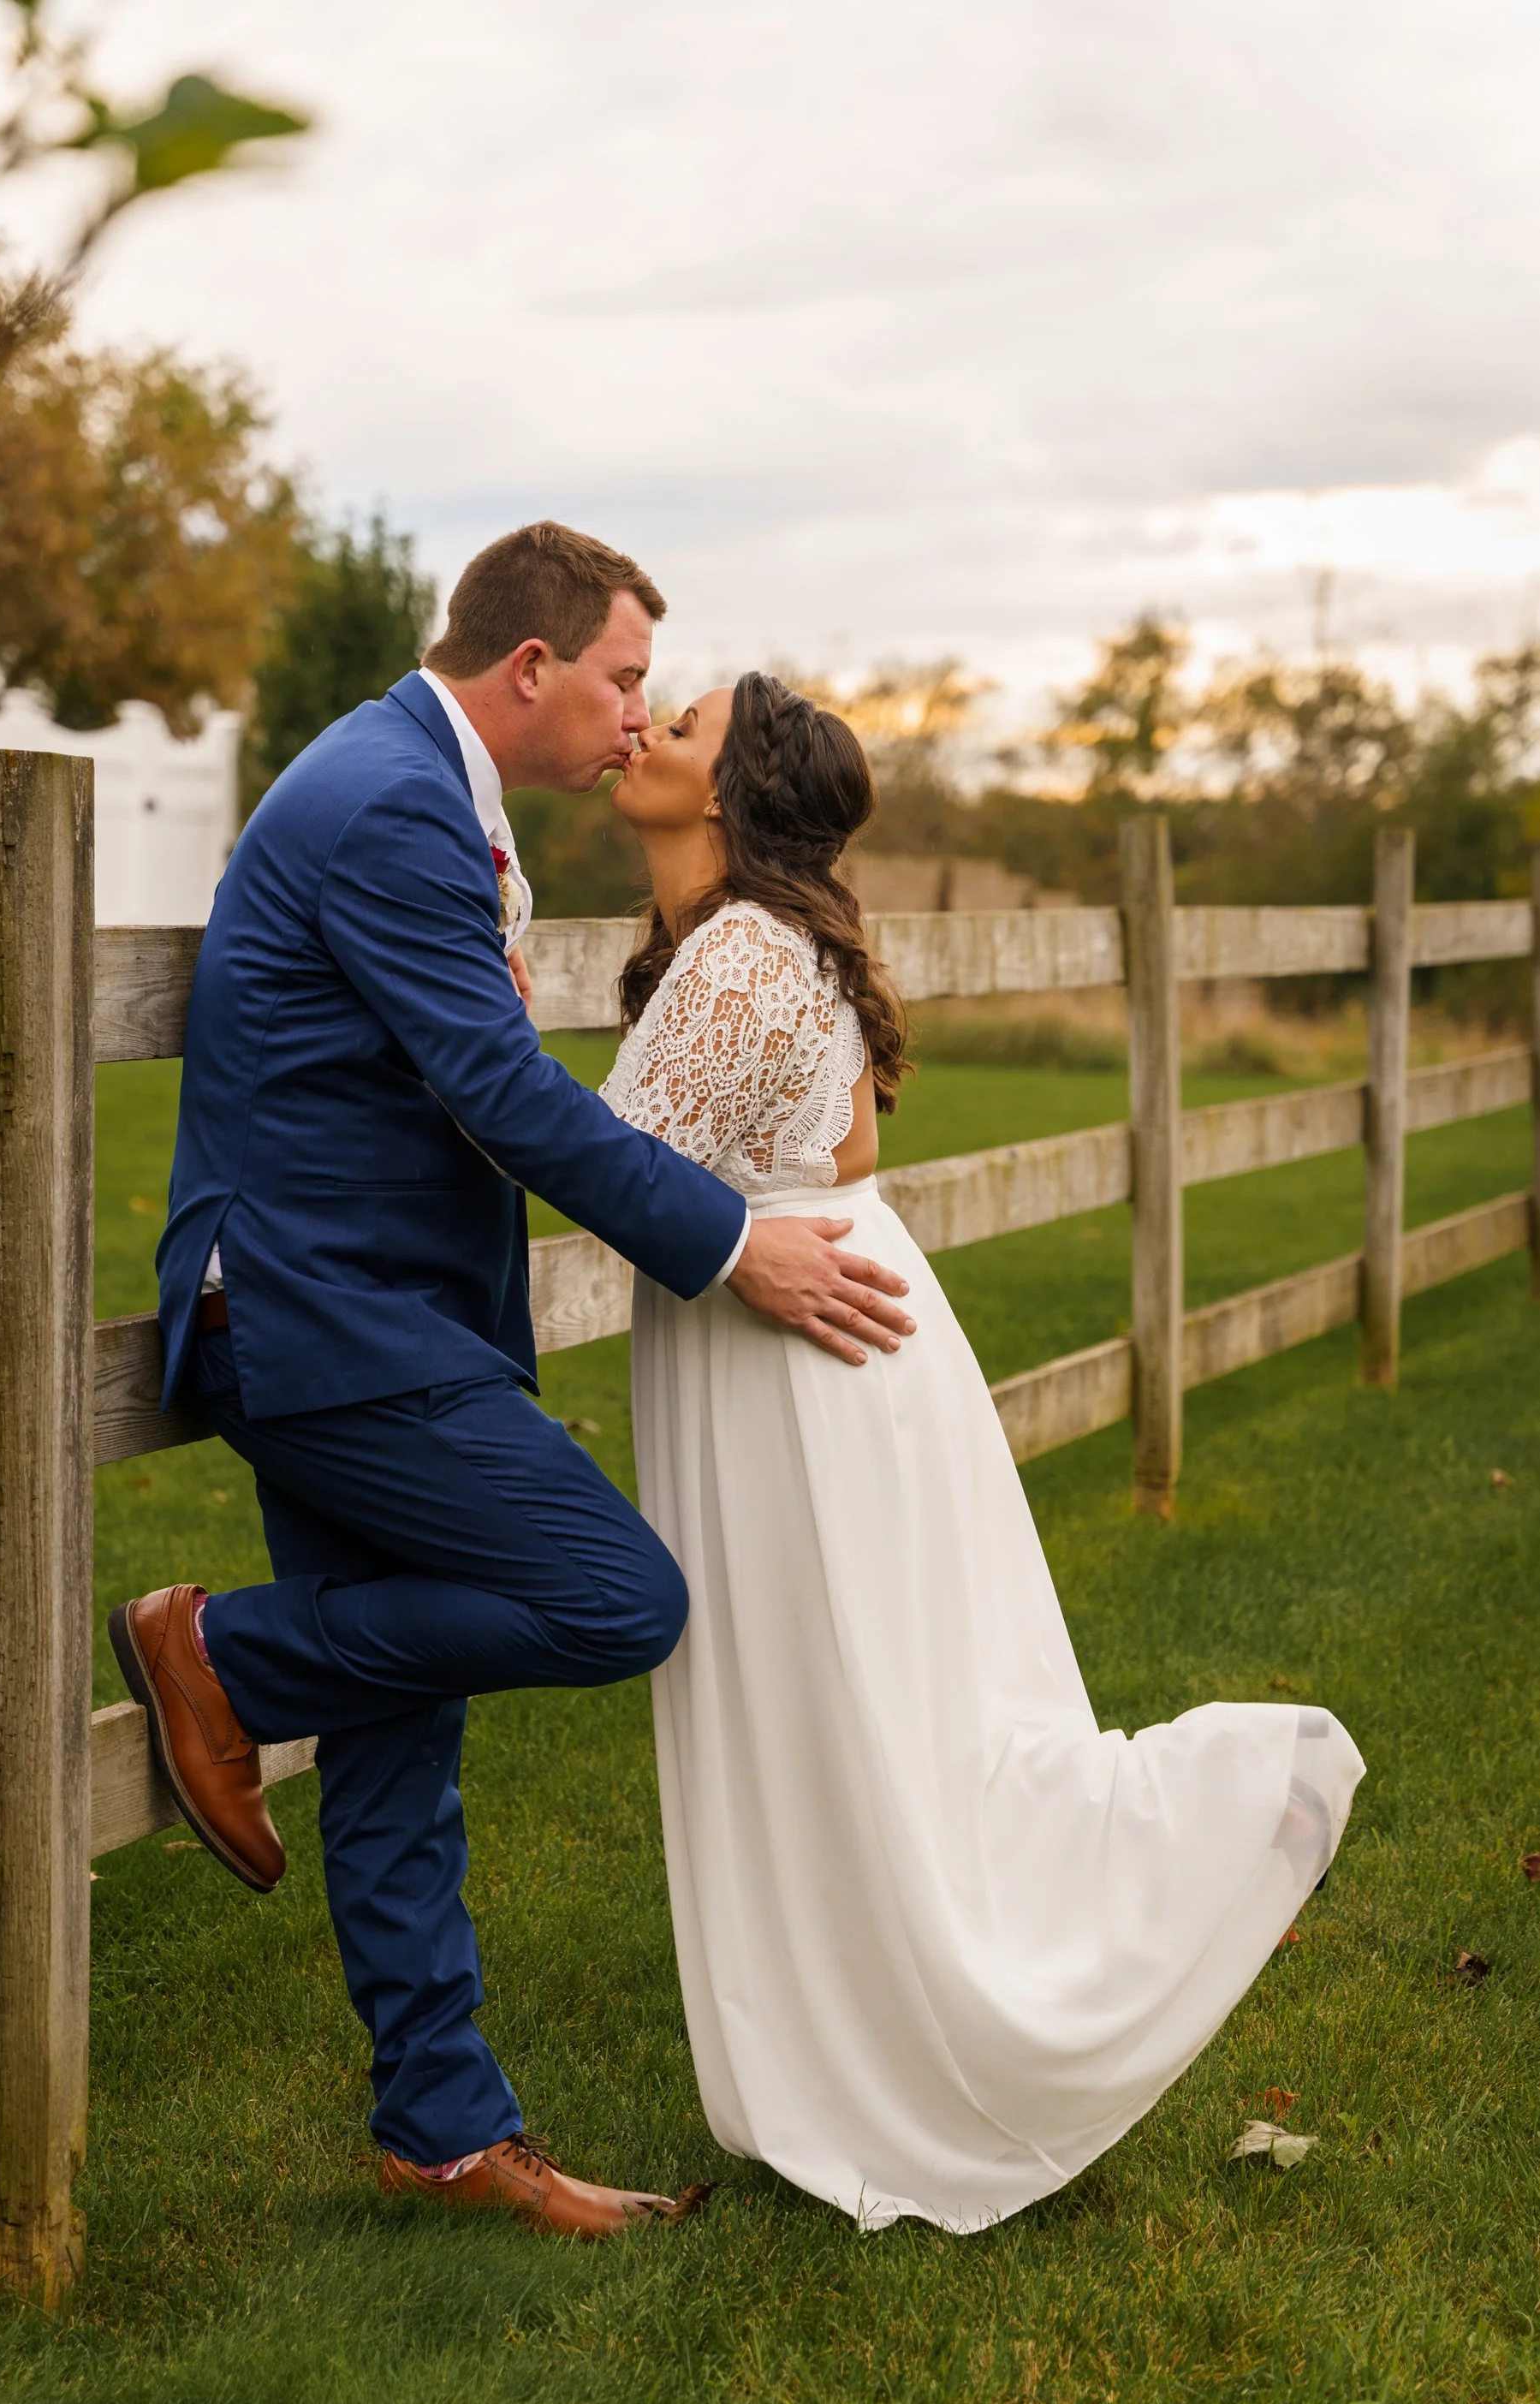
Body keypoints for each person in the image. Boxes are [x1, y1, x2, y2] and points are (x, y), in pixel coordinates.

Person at [107, 527, 919, 2241]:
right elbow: (494, 1085)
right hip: (319, 1320)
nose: (637, 717)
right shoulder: (390, 799)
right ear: (531, 667)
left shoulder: (421, 785)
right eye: (626, 678)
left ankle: (444, 2134)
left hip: (376, 1315)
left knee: (401, 1727)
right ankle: (221, 1650)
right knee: (612, 1595)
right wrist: (730, 1243)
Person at [601, 671, 1365, 2233]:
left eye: (684, 725)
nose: (650, 727)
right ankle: (878, 1998)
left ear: (735, 796)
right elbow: (851, 1151)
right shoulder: (761, 945)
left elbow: (595, 1163)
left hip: (797, 1364)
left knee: (849, 1709)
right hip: (843, 1355)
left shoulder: (743, 950)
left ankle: (1054, 1936)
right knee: (887, 1704)